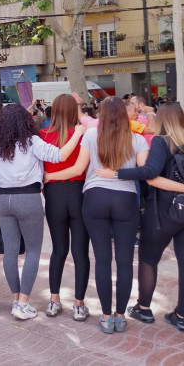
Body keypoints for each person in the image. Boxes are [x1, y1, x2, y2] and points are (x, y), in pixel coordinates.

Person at [45, 97, 149, 334]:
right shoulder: (138, 140)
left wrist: (49, 177)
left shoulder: (91, 136)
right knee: (124, 261)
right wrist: (120, 174)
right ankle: (120, 316)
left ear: (102, 115)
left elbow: (78, 169)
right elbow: (143, 172)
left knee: (102, 259)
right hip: (125, 201)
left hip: (94, 199)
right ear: (125, 115)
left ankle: (105, 316)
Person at [94, 101, 184, 331]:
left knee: (148, 258)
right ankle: (181, 315)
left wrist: (116, 174)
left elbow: (150, 174)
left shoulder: (162, 143)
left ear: (163, 119)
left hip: (162, 211)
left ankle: (143, 309)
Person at [0, 104, 84, 320]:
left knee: (11, 251)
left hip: (3, 199)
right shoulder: (31, 142)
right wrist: (78, 133)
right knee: (33, 251)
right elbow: (59, 155)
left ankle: (16, 299)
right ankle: (23, 304)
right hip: (28, 198)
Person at [39, 94, 90, 321]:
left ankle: (54, 300)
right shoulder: (83, 135)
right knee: (80, 252)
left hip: (54, 195)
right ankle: (78, 304)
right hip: (79, 193)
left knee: (58, 250)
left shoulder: (42, 135)